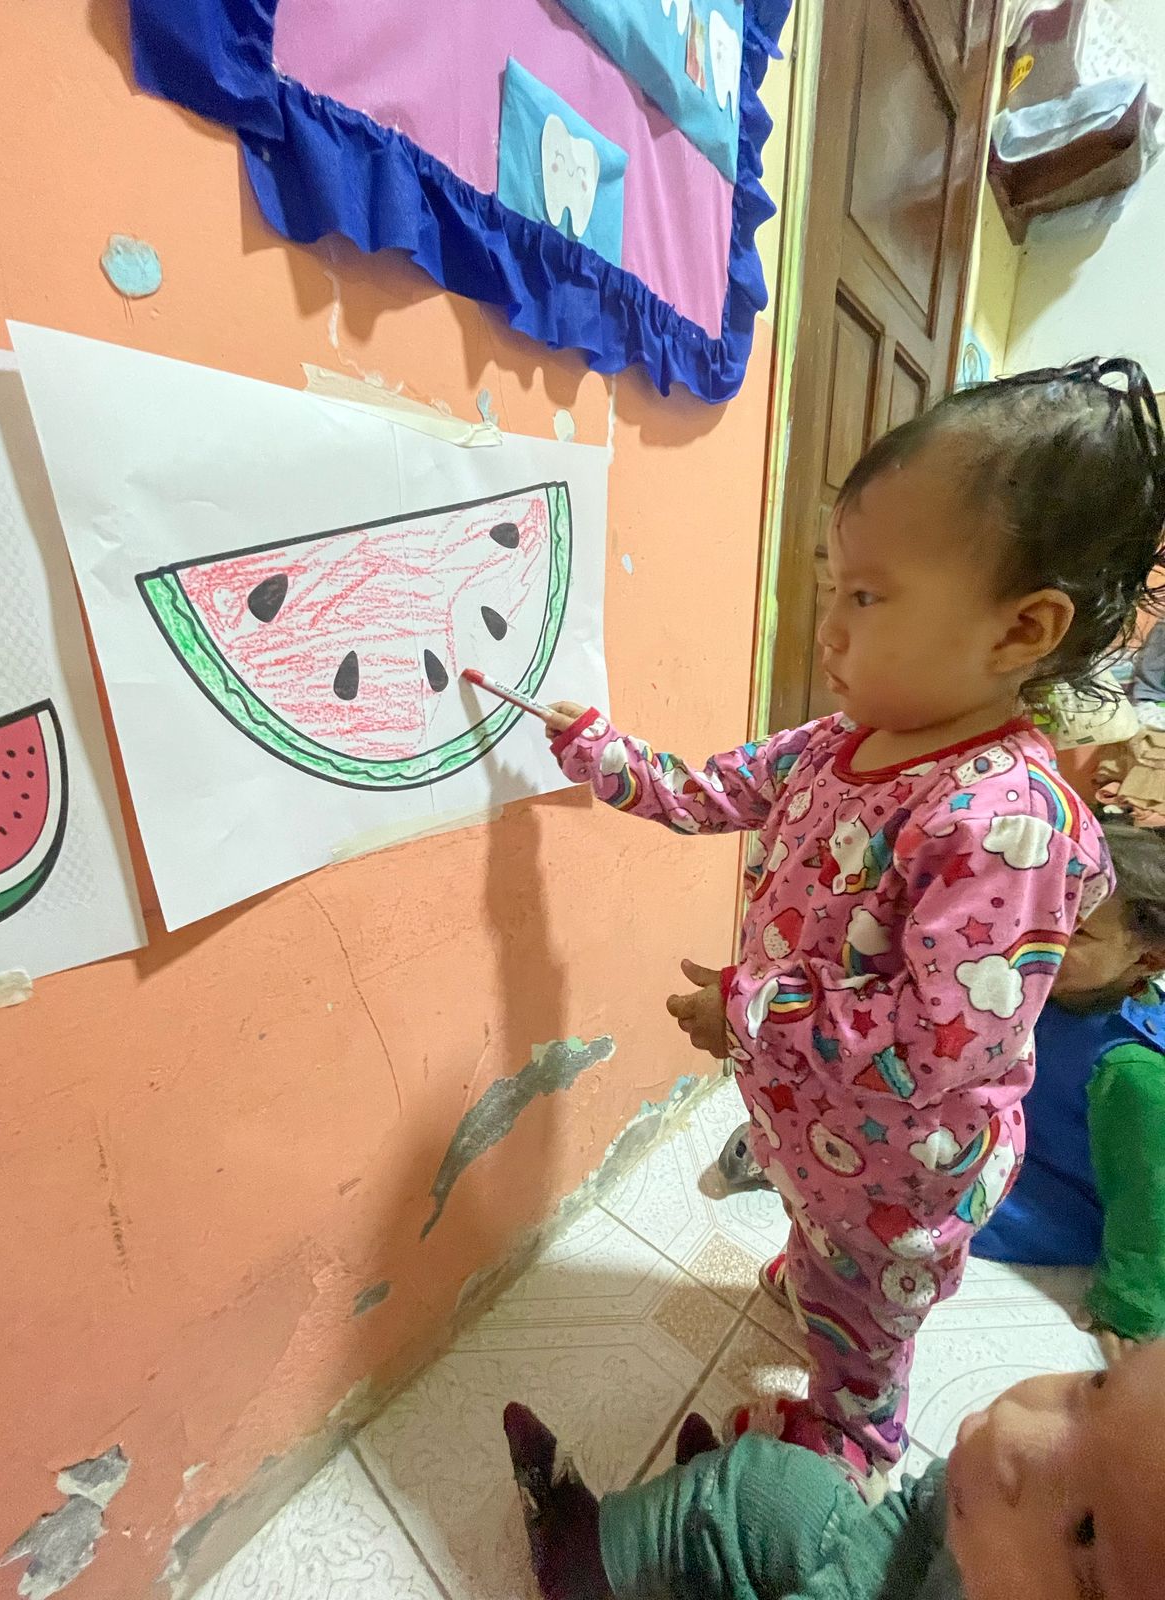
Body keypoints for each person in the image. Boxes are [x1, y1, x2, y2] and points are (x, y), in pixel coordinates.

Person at [540, 359, 1165, 1493]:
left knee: (864, 1326)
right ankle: (814, 1256)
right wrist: (597, 750)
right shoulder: (834, 743)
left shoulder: (1007, 822)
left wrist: (742, 1011)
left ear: (1021, 629)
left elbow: (938, 1043)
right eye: (833, 588)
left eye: (868, 597)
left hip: (899, 1175)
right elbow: (707, 791)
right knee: (819, 1235)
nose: (827, 629)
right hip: (819, 1133)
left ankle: (850, 1431)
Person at [502, 1340, 1165, 1600]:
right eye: (1099, 1385)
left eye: (1085, 1531)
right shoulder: (989, 1518)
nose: (1011, 1427)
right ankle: (701, 1542)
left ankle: (580, 1561)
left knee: (741, 1488)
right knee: (774, 1484)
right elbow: (920, 1512)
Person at [973, 816, 1165, 1344]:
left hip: (1058, 1197)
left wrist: (1128, 1307)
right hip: (1000, 1136)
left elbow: (1148, 1201)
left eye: (1076, 931)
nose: (1032, 937)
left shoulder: (1132, 1072)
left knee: (921, 1210)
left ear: (1148, 959)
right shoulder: (1039, 985)